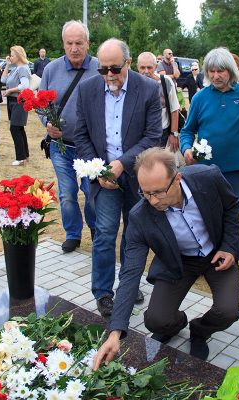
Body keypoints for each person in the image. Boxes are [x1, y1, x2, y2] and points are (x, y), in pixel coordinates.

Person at [93, 148, 239, 364]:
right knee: (156, 320)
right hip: (178, 262)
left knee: (228, 311)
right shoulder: (140, 217)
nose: (153, 201)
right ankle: (177, 324)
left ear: (178, 178)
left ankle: (200, 330)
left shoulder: (208, 177)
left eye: (158, 192)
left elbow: (231, 206)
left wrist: (229, 246)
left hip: (217, 254)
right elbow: (130, 274)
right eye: (145, 193)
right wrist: (115, 332)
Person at [73, 38, 162, 317]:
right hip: (103, 178)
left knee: (133, 235)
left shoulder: (148, 89)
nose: (109, 75)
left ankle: (128, 283)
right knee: (105, 233)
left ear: (128, 62)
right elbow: (81, 135)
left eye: (114, 68)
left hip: (136, 175)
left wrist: (122, 164)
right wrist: (100, 171)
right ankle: (102, 292)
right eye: (103, 69)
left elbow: (152, 136)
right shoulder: (87, 89)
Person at [39, 20, 98, 253]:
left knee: (92, 192)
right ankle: (72, 233)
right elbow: (40, 104)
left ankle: (96, 229)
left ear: (88, 43)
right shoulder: (51, 69)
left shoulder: (99, 68)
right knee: (66, 194)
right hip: (60, 146)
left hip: (89, 147)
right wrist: (46, 123)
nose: (74, 48)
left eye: (79, 43)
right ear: (63, 44)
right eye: (69, 43)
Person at [180, 47, 239, 206]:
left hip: (235, 170)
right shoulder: (200, 97)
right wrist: (186, 148)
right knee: (208, 215)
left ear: (230, 70)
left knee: (231, 214)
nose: (215, 76)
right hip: (205, 169)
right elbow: (187, 131)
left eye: (220, 71)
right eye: (211, 71)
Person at [137, 52, 180, 151]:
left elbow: (174, 108)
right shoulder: (133, 82)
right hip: (139, 134)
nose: (146, 71)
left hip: (161, 133)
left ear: (156, 66)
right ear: (137, 66)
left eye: (149, 67)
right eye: (142, 68)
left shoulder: (166, 82)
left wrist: (174, 133)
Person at [1, 45, 31, 166]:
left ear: (18, 56)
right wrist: (7, 64)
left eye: (12, 55)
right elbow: (3, 80)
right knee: (18, 128)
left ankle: (20, 158)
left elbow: (25, 86)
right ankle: (25, 155)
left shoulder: (23, 68)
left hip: (19, 101)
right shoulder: (16, 68)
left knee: (15, 128)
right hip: (13, 101)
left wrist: (10, 90)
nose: (10, 56)